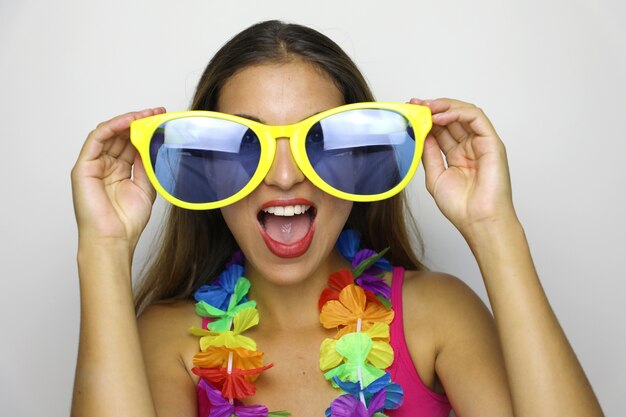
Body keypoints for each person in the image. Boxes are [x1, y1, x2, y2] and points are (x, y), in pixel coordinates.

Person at [70, 20, 604, 417]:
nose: (283, 176)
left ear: (359, 161)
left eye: (318, 141)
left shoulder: (437, 315)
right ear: (209, 173)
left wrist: (493, 227)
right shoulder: (169, 339)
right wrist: (104, 247)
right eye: (246, 145)